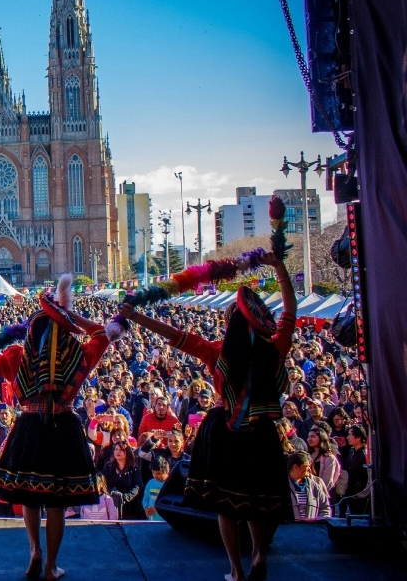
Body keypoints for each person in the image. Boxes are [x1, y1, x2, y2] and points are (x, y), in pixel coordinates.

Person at [119, 248, 296, 581]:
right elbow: (290, 311)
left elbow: (176, 336)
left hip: (226, 432)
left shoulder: (219, 353)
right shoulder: (275, 348)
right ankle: (258, 553)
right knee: (256, 500)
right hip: (261, 433)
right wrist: (280, 267)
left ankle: (235, 570)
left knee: (225, 505)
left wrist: (137, 317)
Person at [0, 275, 115, 581]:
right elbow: (104, 333)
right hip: (63, 426)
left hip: (29, 426)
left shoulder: (17, 356)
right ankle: (52, 566)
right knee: (55, 500)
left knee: (29, 495)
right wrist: (67, 316)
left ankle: (34, 552)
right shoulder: (79, 356)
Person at [288, 452, 331, 521]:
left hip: (311, 529)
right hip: (288, 529)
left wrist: (318, 521)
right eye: (307, 466)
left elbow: (325, 508)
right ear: (295, 467)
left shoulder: (315, 486)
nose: (310, 469)